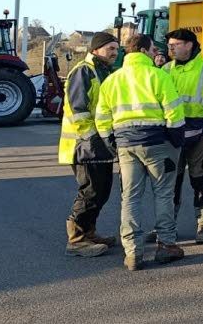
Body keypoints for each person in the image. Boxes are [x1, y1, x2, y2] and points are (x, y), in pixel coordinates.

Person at [94, 34, 186, 271]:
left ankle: (133, 252)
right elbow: (174, 112)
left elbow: (102, 118)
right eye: (153, 49)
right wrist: (176, 141)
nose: (156, 53)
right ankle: (166, 245)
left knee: (130, 197)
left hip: (126, 145)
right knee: (163, 194)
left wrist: (111, 142)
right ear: (144, 51)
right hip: (158, 143)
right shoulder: (159, 76)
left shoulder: (112, 80)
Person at [58, 32, 119, 258]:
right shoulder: (84, 71)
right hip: (84, 144)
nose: (115, 52)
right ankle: (76, 239)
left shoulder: (103, 71)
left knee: (101, 190)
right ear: (95, 49)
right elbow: (79, 109)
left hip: (97, 142)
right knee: (91, 191)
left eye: (116, 48)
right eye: (110, 48)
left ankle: (89, 232)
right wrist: (92, 138)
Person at [163, 29, 203, 245]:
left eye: (175, 44)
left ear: (189, 45)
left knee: (199, 178)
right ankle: (167, 225)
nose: (171, 48)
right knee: (172, 181)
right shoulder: (165, 69)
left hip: (199, 134)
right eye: (169, 45)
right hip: (172, 134)